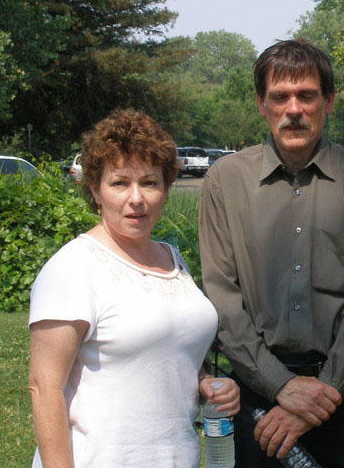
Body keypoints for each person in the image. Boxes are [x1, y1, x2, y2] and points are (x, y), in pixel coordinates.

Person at [199, 39, 344, 467]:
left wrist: (325, 391)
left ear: (329, 102)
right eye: (279, 97)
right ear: (260, 104)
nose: (293, 109)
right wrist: (280, 386)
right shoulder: (225, 181)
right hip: (254, 395)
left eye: (306, 95)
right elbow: (221, 295)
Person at [28, 108, 239, 468]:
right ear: (95, 190)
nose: (137, 198)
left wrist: (204, 383)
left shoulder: (172, 258)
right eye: (120, 183)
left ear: (166, 189)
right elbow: (44, 389)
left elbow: (166, 351)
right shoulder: (73, 268)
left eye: (150, 182)